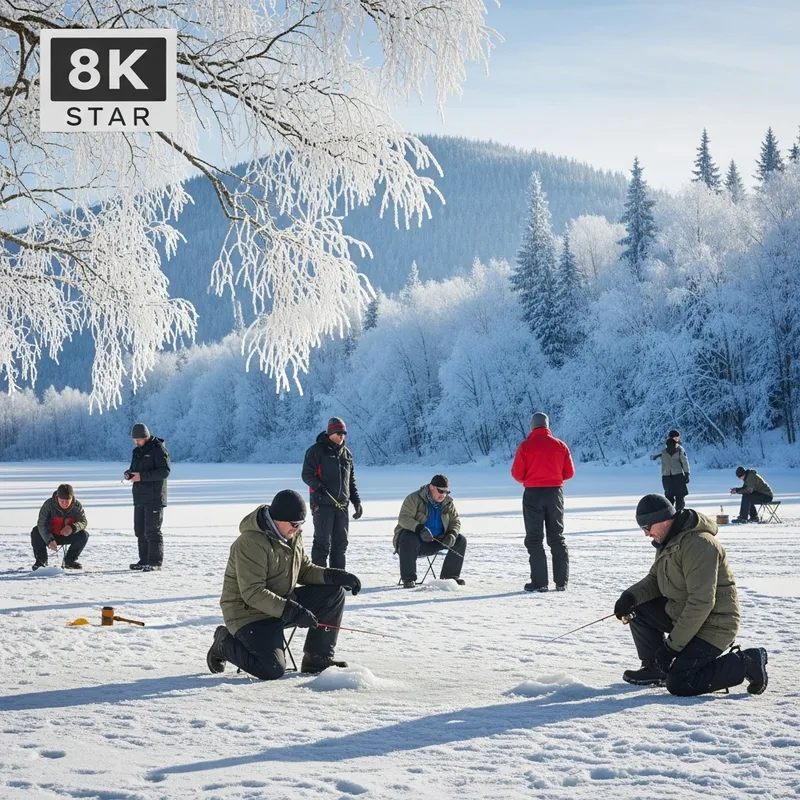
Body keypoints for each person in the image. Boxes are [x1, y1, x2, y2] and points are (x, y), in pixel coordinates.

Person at [614, 493, 769, 696]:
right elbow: (655, 579)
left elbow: (701, 603)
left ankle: (747, 662)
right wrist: (629, 597)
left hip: (714, 624)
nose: (646, 534)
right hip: (683, 614)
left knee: (680, 682)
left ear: (663, 520)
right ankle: (655, 669)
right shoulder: (669, 540)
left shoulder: (699, 544)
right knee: (637, 607)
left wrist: (671, 648)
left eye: (647, 527)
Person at [206, 489, 362, 679]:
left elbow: (303, 570)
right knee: (271, 669)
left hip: (281, 604)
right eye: (294, 524)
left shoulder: (291, 535)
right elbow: (253, 593)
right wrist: (293, 611)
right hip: (249, 614)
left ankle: (317, 659)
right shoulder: (250, 543)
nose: (298, 529)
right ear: (277, 519)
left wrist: (336, 576)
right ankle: (223, 642)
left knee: (333, 593)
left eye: (301, 524)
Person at [511, 412, 575, 593]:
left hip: (533, 494)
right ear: (547, 426)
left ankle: (539, 582)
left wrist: (532, 477)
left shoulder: (525, 446)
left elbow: (517, 474)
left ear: (532, 426)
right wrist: (554, 477)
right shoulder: (560, 445)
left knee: (534, 538)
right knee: (557, 537)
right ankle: (561, 582)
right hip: (555, 494)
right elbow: (569, 473)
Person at [301, 417, 362, 569]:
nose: (342, 436)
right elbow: (307, 474)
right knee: (322, 544)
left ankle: (338, 577)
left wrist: (356, 502)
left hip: (342, 505)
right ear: (330, 433)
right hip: (322, 504)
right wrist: (318, 486)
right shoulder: (316, 451)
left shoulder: (347, 454)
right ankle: (319, 579)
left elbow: (350, 481)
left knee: (340, 545)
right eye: (338, 433)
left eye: (344, 433)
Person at [393, 475, 466, 588]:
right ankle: (409, 579)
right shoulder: (414, 498)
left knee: (460, 540)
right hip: (416, 542)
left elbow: (455, 521)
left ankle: (449, 578)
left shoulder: (448, 503)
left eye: (446, 491)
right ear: (431, 487)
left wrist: (452, 534)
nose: (443, 494)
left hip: (438, 541)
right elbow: (404, 518)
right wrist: (420, 529)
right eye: (440, 491)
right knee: (408, 536)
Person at [125, 422, 171, 572]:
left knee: (152, 530)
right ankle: (143, 560)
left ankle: (155, 562)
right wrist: (129, 474)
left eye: (138, 440)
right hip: (139, 496)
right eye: (134, 440)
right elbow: (135, 469)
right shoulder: (136, 451)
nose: (136, 442)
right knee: (140, 530)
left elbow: (164, 471)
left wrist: (142, 476)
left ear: (145, 437)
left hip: (154, 497)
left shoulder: (158, 449)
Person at [30, 484, 88, 570]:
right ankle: (41, 562)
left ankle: (70, 561)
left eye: (67, 501)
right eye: (62, 501)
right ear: (57, 498)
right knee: (36, 532)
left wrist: (72, 528)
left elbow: (83, 522)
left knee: (84, 535)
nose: (64, 504)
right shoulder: (48, 505)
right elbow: (41, 524)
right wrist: (49, 539)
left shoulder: (77, 506)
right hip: (51, 535)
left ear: (72, 498)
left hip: (67, 535)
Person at [650, 429, 690, 512]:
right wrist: (687, 473)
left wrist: (655, 457)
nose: (676, 439)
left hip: (667, 476)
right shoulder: (679, 449)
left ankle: (670, 513)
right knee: (679, 496)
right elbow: (684, 462)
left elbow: (684, 461)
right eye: (675, 438)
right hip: (676, 475)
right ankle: (678, 513)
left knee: (670, 497)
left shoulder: (665, 449)